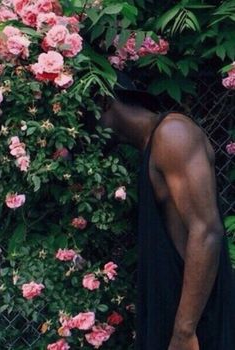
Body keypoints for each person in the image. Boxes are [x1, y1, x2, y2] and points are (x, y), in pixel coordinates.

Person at [98, 75, 235, 350]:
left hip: (197, 326)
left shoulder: (173, 134)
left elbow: (206, 231)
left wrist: (184, 332)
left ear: (103, 102)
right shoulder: (152, 144)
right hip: (175, 313)